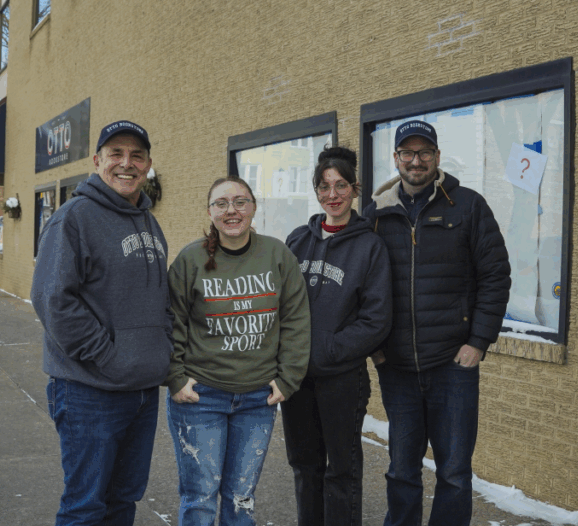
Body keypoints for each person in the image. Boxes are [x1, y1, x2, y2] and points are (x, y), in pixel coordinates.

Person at [362, 121, 511, 526]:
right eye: (407, 153)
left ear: (437, 157)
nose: (416, 161)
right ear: (396, 159)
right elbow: (361, 286)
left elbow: (495, 276)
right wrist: (374, 348)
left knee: (454, 473)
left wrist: (478, 341)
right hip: (398, 368)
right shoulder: (375, 214)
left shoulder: (468, 206)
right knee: (402, 471)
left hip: (453, 365)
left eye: (424, 152)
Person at [30, 120, 171, 525]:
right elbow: (53, 299)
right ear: (97, 161)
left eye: (137, 155)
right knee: (85, 507)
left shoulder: (148, 220)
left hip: (142, 391)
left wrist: (161, 351)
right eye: (116, 154)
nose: (127, 163)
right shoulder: (72, 219)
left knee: (123, 500)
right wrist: (109, 357)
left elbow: (159, 297)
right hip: (89, 391)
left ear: (147, 164)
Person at [165, 175, 311, 525]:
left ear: (253, 207)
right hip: (201, 396)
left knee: (241, 497)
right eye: (221, 203)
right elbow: (171, 322)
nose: (232, 210)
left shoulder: (277, 255)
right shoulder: (190, 260)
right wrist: (175, 377)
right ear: (210, 211)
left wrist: (288, 378)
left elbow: (296, 318)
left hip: (257, 398)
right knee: (200, 498)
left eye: (240, 201)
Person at [282, 146, 393, 526]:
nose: (333, 194)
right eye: (324, 186)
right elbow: (278, 303)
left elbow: (376, 320)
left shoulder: (369, 246)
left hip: (342, 378)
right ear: (315, 190)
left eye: (340, 185)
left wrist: (328, 350)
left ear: (355, 189)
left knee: (340, 471)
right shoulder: (297, 241)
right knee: (304, 467)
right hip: (297, 379)